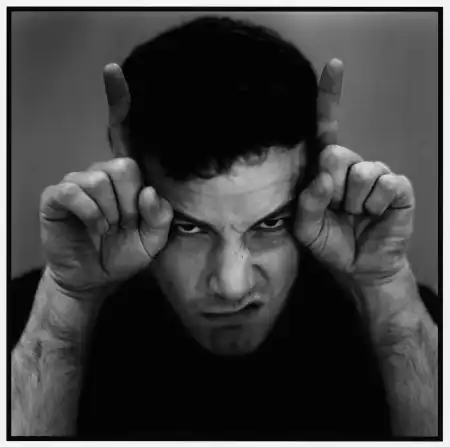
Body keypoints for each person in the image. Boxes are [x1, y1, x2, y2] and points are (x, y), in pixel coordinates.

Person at [11, 16, 438, 440]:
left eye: (271, 223)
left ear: (312, 189)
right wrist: (65, 316)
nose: (232, 287)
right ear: (135, 187)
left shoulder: (408, 316)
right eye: (188, 228)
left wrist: (389, 301)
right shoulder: (29, 323)